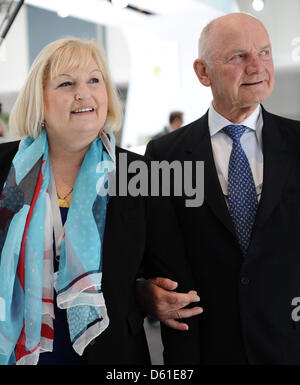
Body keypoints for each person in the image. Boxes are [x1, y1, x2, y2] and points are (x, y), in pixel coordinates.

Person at [0, 37, 199, 365]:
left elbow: (163, 272)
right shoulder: (7, 170)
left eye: (94, 80)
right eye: (66, 83)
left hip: (111, 355)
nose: (84, 93)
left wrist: (143, 289)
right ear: (39, 100)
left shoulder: (140, 174)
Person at [139, 12, 300, 364]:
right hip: (204, 347)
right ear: (202, 71)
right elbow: (148, 253)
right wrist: (146, 291)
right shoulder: (163, 155)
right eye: (239, 57)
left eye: (265, 52)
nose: (257, 67)